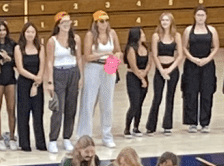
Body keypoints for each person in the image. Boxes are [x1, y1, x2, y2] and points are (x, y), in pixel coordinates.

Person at [79, 10, 121, 147]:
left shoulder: (112, 33)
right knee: (88, 102)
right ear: (95, 22)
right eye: (101, 21)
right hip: (93, 68)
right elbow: (87, 56)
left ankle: (107, 135)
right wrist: (104, 53)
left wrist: (117, 57)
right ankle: (85, 136)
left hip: (109, 67)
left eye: (106, 20)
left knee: (107, 103)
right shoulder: (90, 35)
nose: (104, 24)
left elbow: (118, 50)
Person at [44, 12, 81, 153]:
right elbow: (49, 61)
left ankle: (67, 137)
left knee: (71, 108)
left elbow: (79, 58)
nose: (66, 25)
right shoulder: (52, 41)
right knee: (58, 109)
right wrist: (50, 81)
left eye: (68, 22)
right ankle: (53, 139)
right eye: (63, 22)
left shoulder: (76, 39)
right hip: (58, 72)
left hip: (73, 71)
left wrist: (80, 76)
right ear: (58, 25)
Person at [182, 5, 219, 133]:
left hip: (207, 65)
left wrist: (207, 59)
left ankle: (205, 122)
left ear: (206, 16)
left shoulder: (212, 30)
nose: (200, 17)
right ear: (194, 16)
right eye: (198, 15)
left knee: (207, 93)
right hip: (192, 65)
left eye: (203, 15)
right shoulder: (188, 30)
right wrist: (193, 59)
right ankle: (192, 122)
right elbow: (184, 47)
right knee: (191, 93)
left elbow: (215, 47)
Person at [146, 11, 183, 136]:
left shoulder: (176, 36)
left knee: (170, 97)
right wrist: (161, 70)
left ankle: (167, 125)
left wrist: (170, 69)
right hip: (160, 69)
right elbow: (154, 55)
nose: (164, 22)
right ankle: (151, 126)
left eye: (167, 20)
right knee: (157, 97)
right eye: (163, 20)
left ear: (171, 22)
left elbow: (180, 55)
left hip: (172, 68)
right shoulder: (156, 36)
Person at [14, 23, 46, 151]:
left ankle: (41, 143)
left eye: (32, 32)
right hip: (24, 83)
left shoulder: (40, 47)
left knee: (38, 114)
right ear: (23, 33)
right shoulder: (18, 48)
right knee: (23, 114)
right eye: (28, 32)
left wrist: (37, 83)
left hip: (37, 83)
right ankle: (24, 144)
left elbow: (42, 66)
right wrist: (34, 79)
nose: (30, 34)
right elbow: (20, 69)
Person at [0, 20, 18, 150]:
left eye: (4, 30)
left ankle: (12, 137)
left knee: (11, 109)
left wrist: (9, 59)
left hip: (10, 79)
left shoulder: (12, 44)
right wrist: (0, 61)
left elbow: (18, 63)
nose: (2, 32)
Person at [124, 26, 152, 137]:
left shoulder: (145, 47)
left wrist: (145, 73)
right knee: (134, 103)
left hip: (143, 75)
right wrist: (141, 78)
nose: (144, 35)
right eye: (142, 34)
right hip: (133, 77)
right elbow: (133, 66)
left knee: (140, 104)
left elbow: (149, 63)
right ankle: (127, 128)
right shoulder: (131, 49)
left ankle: (136, 127)